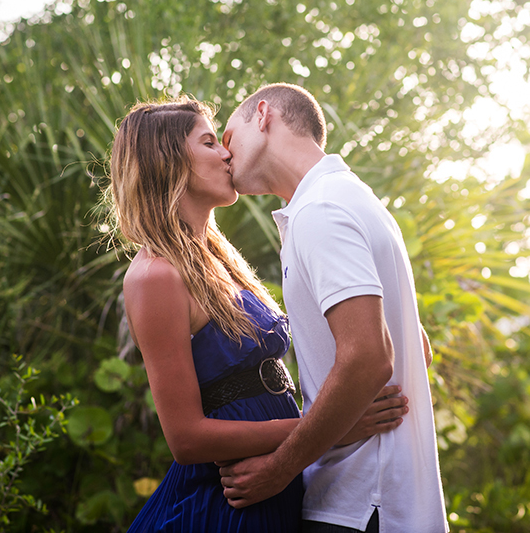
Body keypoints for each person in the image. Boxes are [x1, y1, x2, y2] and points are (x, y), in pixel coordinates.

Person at [107, 99, 409, 533]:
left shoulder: (218, 258)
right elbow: (186, 438)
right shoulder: (154, 276)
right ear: (166, 159)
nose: (227, 154)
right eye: (210, 142)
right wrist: (325, 429)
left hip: (280, 484)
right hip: (225, 500)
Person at [219, 84, 449, 533]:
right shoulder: (351, 198)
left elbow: (369, 357)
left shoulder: (320, 209)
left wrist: (279, 467)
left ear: (263, 115)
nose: (225, 157)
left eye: (227, 138)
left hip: (362, 504)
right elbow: (414, 346)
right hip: (388, 500)